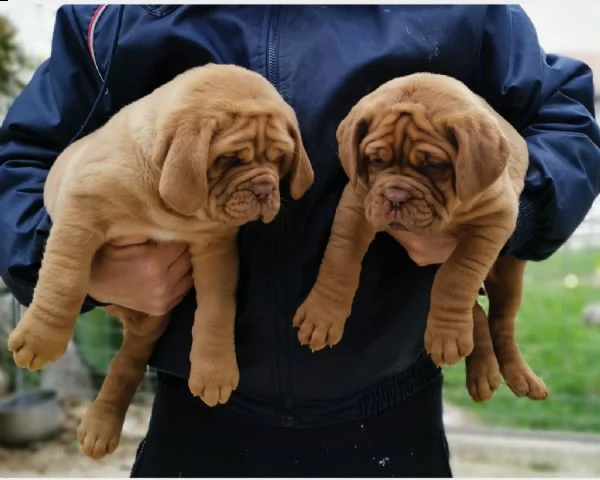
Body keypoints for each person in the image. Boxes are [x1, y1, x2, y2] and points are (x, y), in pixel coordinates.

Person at [1, 4, 599, 478]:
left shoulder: (463, 10)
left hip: (391, 403)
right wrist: (80, 269)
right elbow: (19, 161)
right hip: (198, 406)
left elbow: (568, 117)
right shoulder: (118, 15)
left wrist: (497, 216)